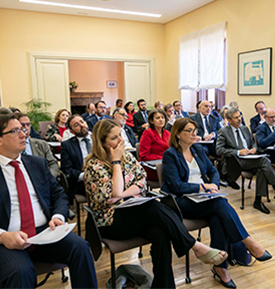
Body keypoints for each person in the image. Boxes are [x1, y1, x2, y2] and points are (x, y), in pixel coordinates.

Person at [0, 114, 98, 288]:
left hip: (43, 232)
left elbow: (59, 195)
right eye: (16, 131)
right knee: (21, 271)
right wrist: (2, 236)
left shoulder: (37, 164)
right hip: (5, 240)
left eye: (23, 129)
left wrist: (58, 216)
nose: (24, 134)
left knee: (81, 248)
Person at [84, 119, 227, 289]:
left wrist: (123, 193)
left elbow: (142, 182)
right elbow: (112, 194)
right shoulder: (93, 165)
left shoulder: (128, 157)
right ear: (102, 142)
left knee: (160, 233)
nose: (121, 141)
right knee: (152, 206)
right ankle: (194, 245)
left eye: (120, 135)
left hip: (135, 214)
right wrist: (115, 163)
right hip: (109, 221)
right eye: (115, 138)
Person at [162, 118, 273, 288]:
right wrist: (202, 186)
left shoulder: (198, 149)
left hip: (204, 199)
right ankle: (247, 242)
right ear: (177, 134)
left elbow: (213, 171)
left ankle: (220, 269)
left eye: (195, 130)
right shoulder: (170, 155)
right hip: (181, 201)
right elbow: (176, 186)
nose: (194, 134)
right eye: (189, 131)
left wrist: (213, 186)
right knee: (220, 204)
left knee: (217, 218)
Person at [216, 108, 275, 213]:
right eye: (236, 117)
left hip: (250, 159)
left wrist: (254, 148)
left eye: (240, 116)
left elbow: (252, 142)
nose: (239, 119)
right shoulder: (223, 131)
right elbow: (219, 150)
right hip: (236, 161)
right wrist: (238, 152)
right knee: (264, 161)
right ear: (229, 120)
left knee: (262, 169)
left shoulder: (244, 129)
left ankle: (258, 201)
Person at [16, 113, 60, 177]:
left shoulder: (42, 144)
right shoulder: (11, 147)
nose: (26, 128)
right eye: (22, 125)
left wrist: (49, 177)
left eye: (28, 124)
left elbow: (53, 164)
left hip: (42, 179)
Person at [60, 115, 91, 204]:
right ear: (72, 131)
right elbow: (67, 169)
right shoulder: (67, 145)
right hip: (82, 182)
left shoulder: (98, 139)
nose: (81, 125)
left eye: (82, 122)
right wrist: (85, 176)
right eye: (76, 125)